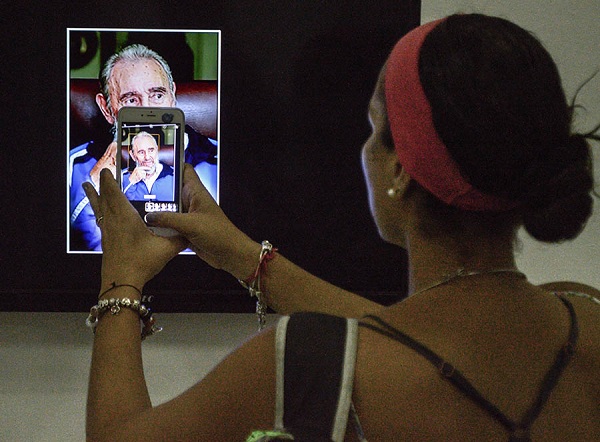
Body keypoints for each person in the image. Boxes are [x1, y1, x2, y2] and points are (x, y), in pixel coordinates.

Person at [82, 14, 599, 441]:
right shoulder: (586, 317)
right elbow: (416, 338)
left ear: (400, 168)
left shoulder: (306, 365)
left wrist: (121, 279)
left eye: (374, 129)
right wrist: (241, 253)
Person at [69, 43, 217, 251]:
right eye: (130, 99)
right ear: (107, 109)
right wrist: (96, 184)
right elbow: (78, 245)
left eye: (157, 95)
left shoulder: (218, 159)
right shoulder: (74, 165)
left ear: (172, 95)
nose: (148, 110)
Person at [122, 131, 174, 201]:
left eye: (151, 151)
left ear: (156, 150)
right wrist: (131, 182)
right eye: (141, 152)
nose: (147, 157)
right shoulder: (122, 176)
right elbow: (121, 206)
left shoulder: (174, 175)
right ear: (133, 155)